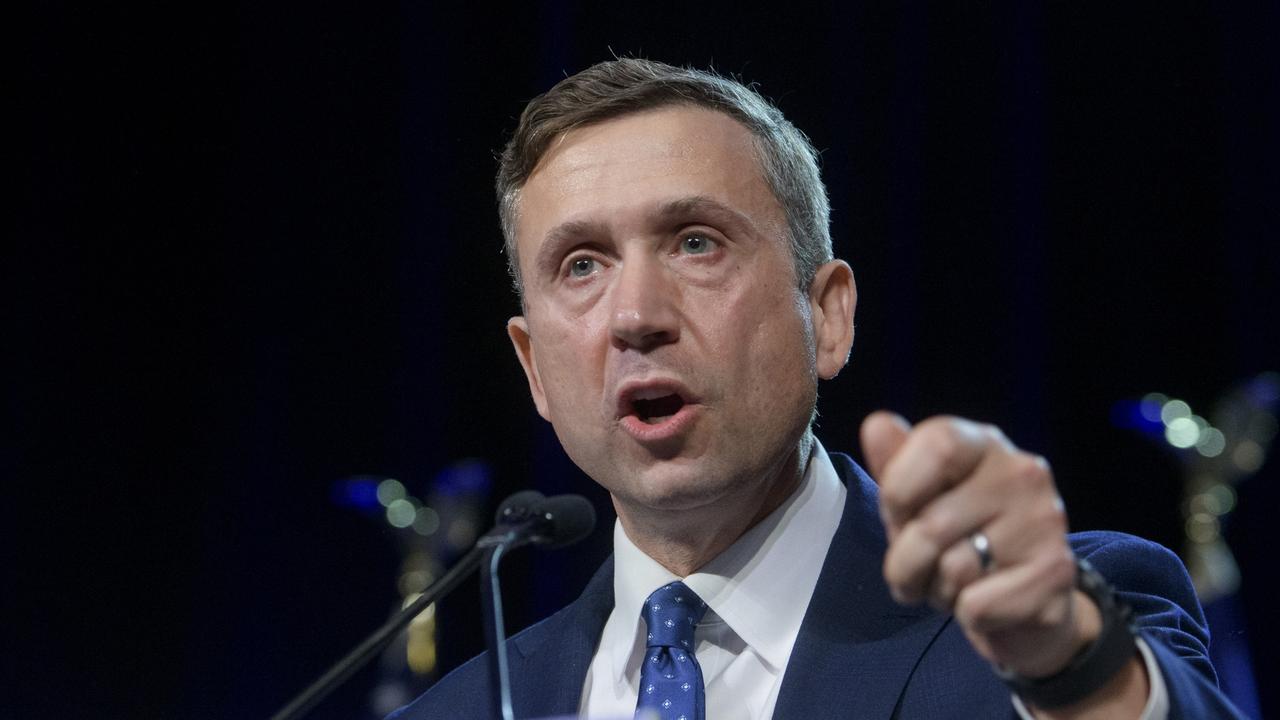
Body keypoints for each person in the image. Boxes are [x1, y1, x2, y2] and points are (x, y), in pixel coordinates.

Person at [390, 59, 1241, 719]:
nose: (636, 316)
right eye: (581, 265)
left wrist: (1072, 661)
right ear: (535, 367)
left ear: (827, 315)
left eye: (695, 243)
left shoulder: (1052, 626)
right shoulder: (459, 709)